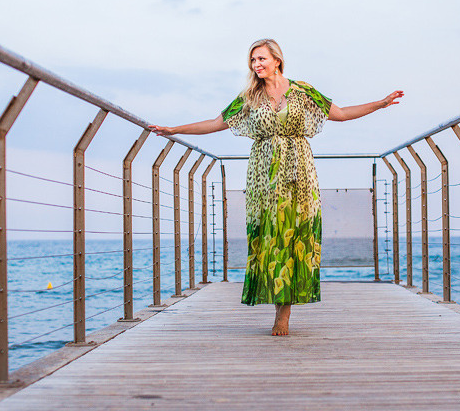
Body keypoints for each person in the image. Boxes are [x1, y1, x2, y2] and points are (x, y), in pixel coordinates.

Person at [149, 39, 402, 336]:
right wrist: (175, 129)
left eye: (261, 59)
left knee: (297, 234)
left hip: (300, 172)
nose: (256, 65)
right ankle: (277, 309)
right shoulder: (249, 97)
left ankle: (285, 314)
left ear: (277, 60)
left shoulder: (302, 91)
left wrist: (381, 104)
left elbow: (342, 113)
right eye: (253, 61)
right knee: (271, 236)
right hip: (264, 175)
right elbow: (217, 123)